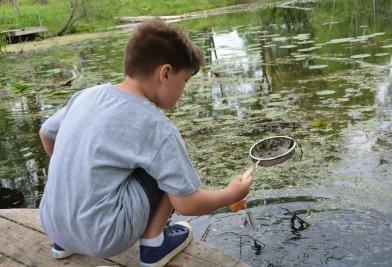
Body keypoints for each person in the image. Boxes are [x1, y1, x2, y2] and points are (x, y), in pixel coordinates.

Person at [39, 18, 253, 267]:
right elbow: (186, 203)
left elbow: (47, 133)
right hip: (104, 236)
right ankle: (154, 245)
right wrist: (230, 194)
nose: (183, 90)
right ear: (166, 73)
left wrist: (78, 181)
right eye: (184, 80)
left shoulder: (86, 95)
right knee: (161, 168)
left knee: (86, 152)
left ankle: (64, 242)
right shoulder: (157, 127)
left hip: (52, 223)